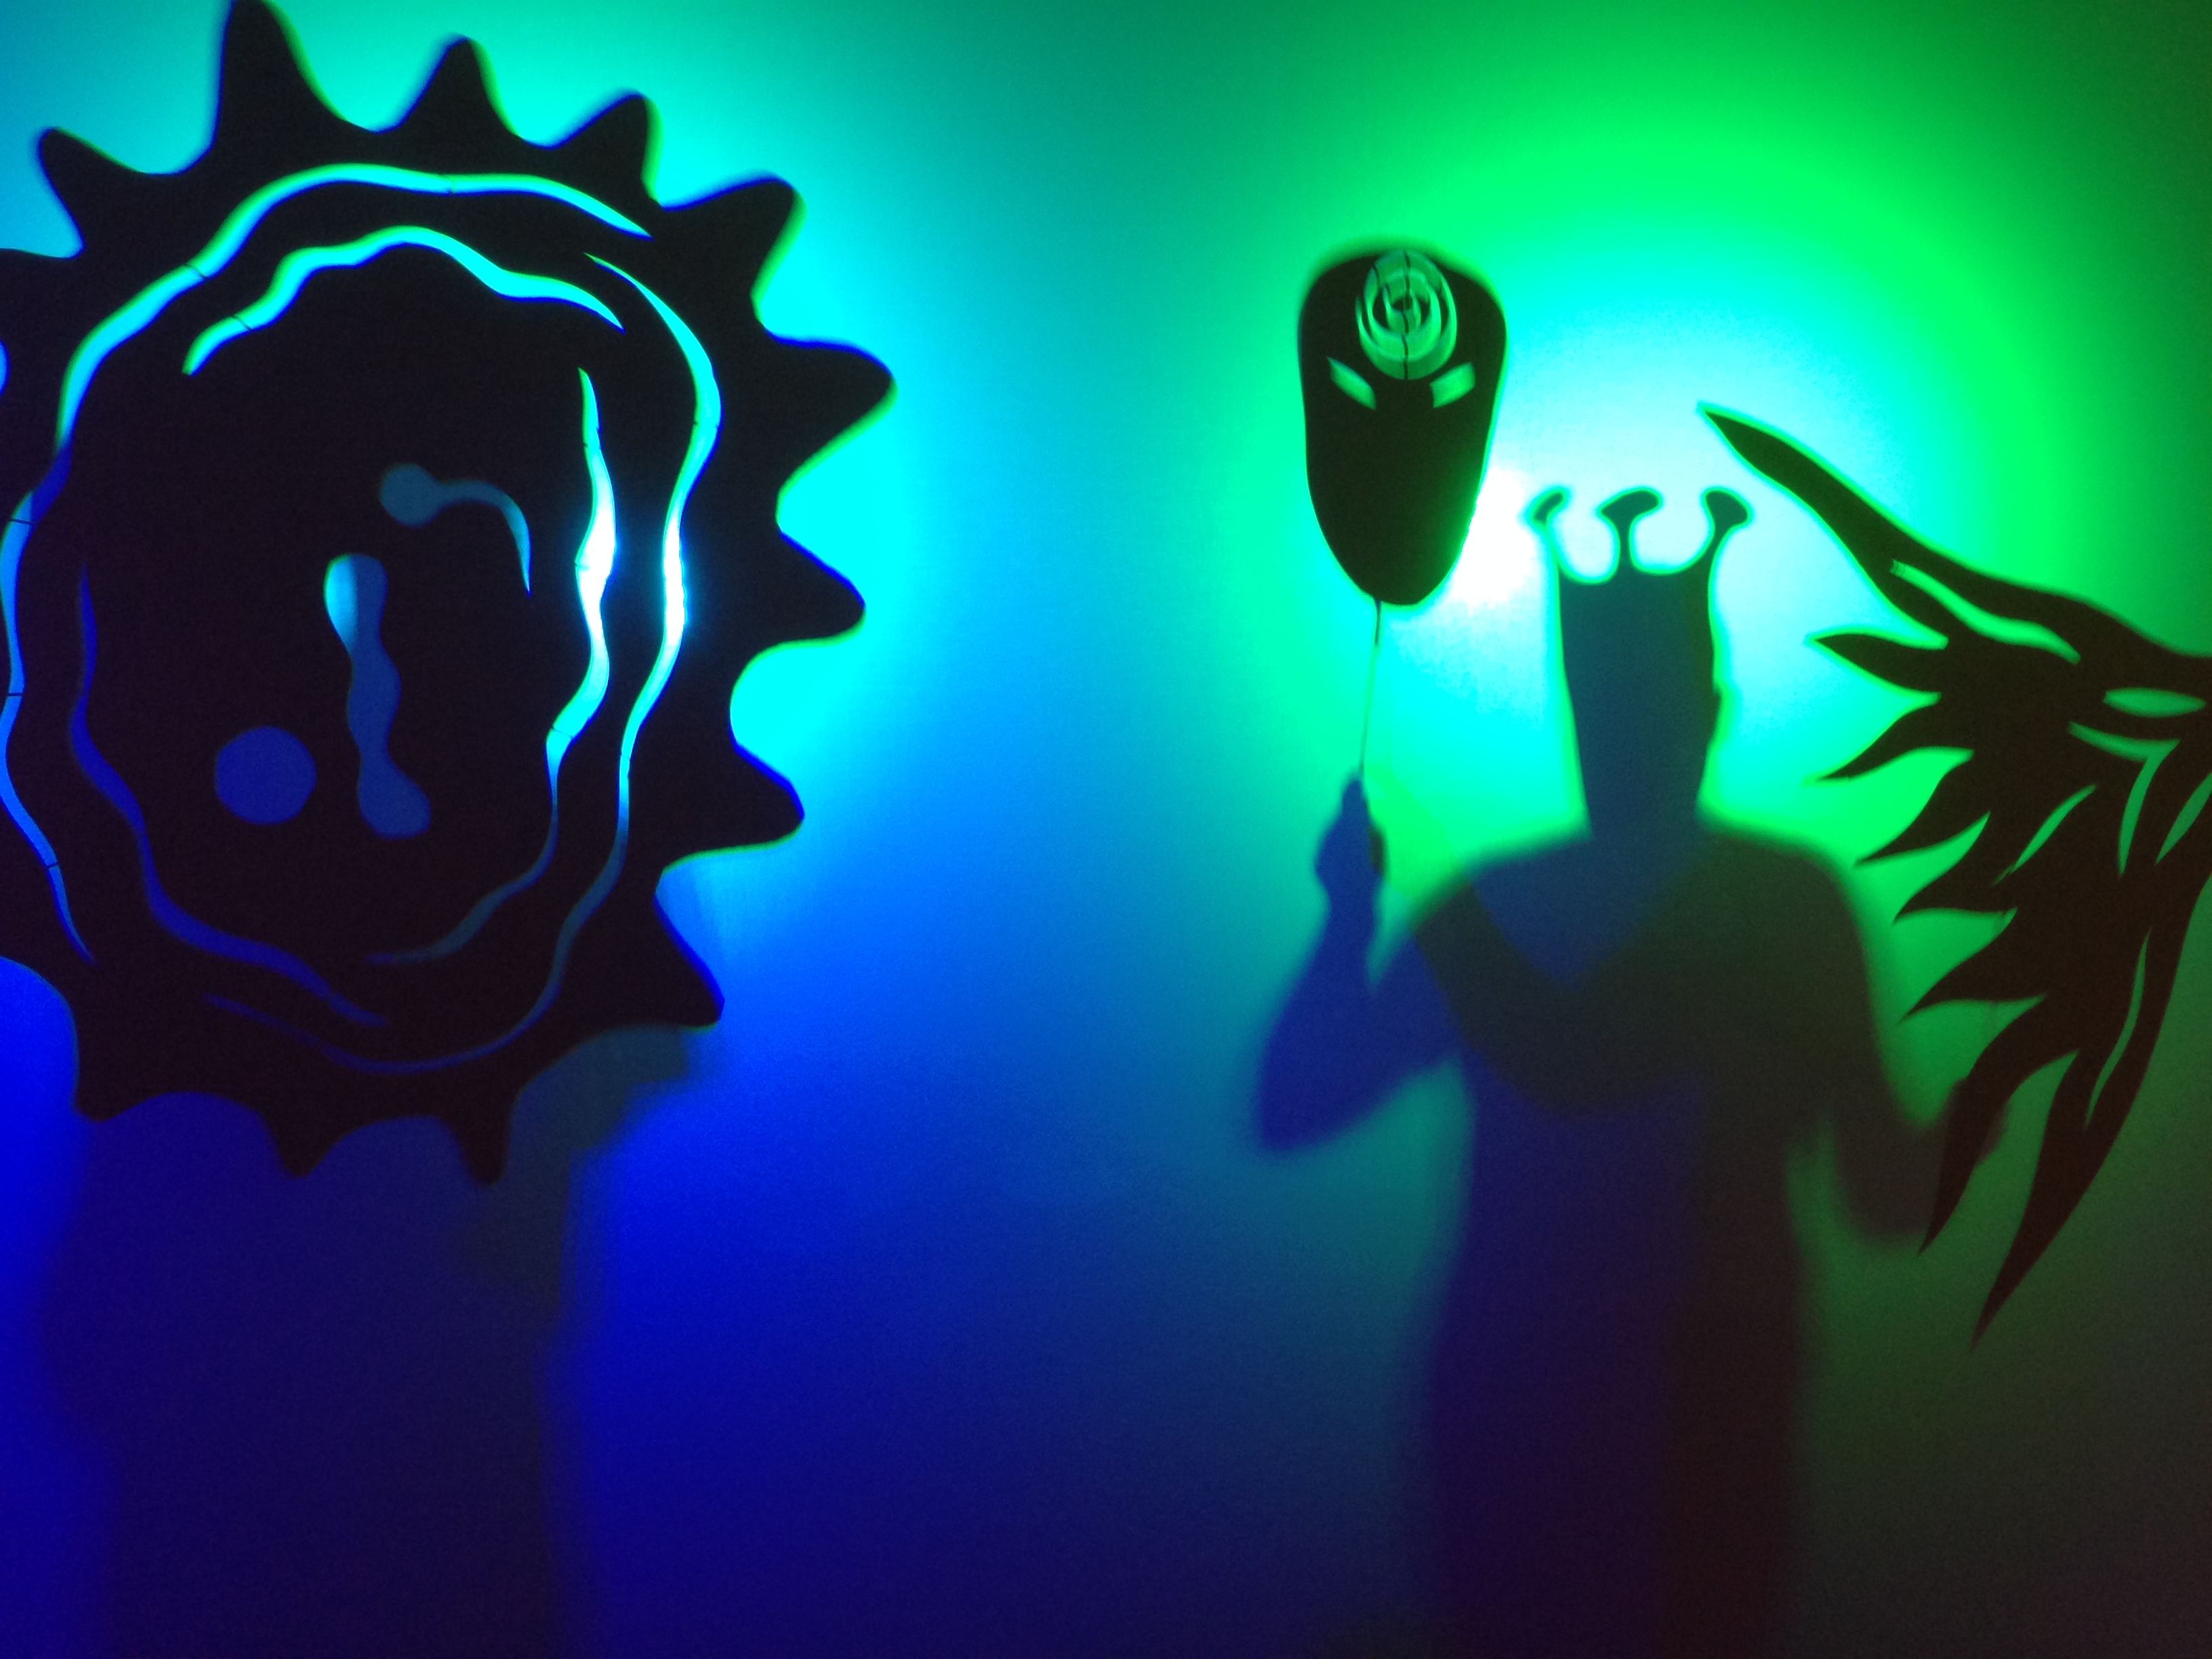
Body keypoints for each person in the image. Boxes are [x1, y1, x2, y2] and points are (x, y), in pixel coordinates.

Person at [1263, 487, 1944, 1659]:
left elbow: (1296, 1106)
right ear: (1714, 708)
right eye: (1609, 705)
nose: (1619, 730)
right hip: (1656, 1420)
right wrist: (1998, 1106)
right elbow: (1886, 1197)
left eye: (1629, 703)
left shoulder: (1498, 906)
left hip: (1571, 1416)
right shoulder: (1783, 907)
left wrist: (1346, 922)